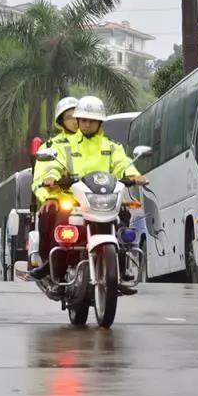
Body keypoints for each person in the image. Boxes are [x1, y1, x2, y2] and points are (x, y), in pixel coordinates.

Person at [31, 96, 148, 291]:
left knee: (123, 217)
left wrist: (134, 175)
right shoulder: (62, 144)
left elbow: (122, 163)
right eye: (83, 120)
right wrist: (52, 177)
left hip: (103, 199)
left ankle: (118, 271)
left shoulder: (111, 146)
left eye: (92, 120)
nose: (87, 124)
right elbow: (51, 166)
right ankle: (54, 270)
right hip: (73, 201)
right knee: (59, 222)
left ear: (100, 122)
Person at [31, 97, 79, 270]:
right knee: (48, 213)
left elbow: (117, 164)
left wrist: (130, 175)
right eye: (69, 117)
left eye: (78, 116)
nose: (75, 121)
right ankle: (47, 261)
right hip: (64, 199)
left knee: (122, 213)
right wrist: (50, 195)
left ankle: (121, 259)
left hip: (95, 199)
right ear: (61, 121)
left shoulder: (101, 144)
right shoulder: (51, 146)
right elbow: (45, 172)